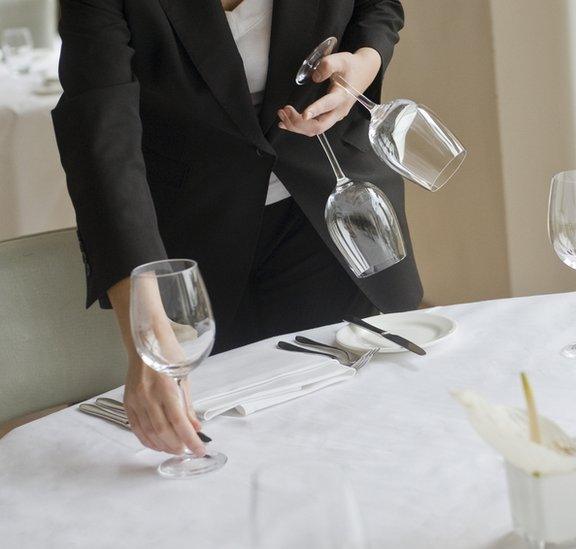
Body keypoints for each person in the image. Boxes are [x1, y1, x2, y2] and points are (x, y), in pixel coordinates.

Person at [52, 0, 421, 457]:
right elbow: (100, 137)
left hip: (330, 209)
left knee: (363, 423)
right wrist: (147, 339)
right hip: (199, 232)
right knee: (238, 442)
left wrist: (366, 59)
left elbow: (377, 5)